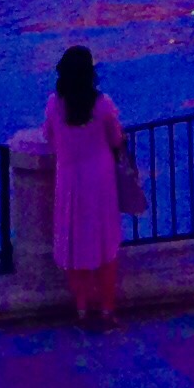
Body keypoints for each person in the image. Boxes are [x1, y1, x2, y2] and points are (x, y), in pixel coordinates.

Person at [43, 46, 129, 327]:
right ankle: (107, 310)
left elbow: (48, 136)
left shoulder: (54, 105)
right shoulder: (102, 104)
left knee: (74, 244)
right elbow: (116, 138)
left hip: (69, 181)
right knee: (105, 245)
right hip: (100, 182)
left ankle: (81, 308)